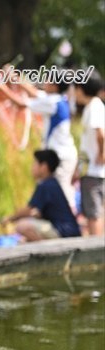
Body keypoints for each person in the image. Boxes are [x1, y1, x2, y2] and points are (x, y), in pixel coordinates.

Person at [12, 76, 78, 212]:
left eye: (48, 81)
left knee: (62, 191)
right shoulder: (57, 99)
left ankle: (71, 223)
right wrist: (14, 77)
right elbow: (34, 93)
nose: (45, 83)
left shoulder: (52, 102)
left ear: (55, 86)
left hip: (61, 157)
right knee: (58, 190)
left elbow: (21, 103)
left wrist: (0, 86)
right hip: (62, 155)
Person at [3, 149, 81, 241]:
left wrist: (10, 219)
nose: (32, 167)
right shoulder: (52, 183)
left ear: (44, 167)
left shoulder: (45, 185)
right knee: (24, 239)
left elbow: (28, 209)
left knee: (22, 226)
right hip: (68, 230)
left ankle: (48, 251)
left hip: (64, 231)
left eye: (35, 164)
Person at [75, 75, 105, 236]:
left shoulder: (94, 107)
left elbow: (100, 134)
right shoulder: (93, 107)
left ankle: (96, 249)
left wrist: (102, 153)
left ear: (81, 89)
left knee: (94, 212)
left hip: (94, 169)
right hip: (90, 168)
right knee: (93, 210)